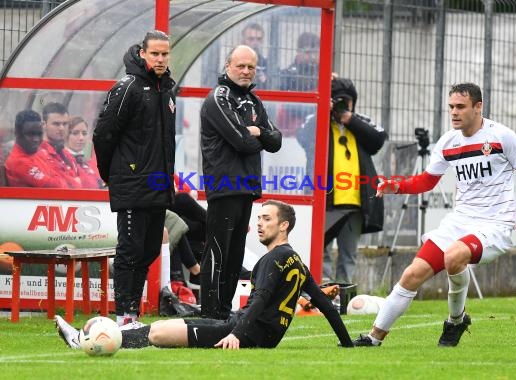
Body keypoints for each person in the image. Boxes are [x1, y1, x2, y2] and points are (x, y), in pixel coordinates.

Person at [352, 83, 516, 347]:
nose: (454, 112)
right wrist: (397, 185)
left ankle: (454, 321)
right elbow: (427, 181)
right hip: (459, 221)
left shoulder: (501, 136)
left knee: (454, 256)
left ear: (478, 107)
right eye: (451, 106)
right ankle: (374, 337)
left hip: (495, 225)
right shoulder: (448, 141)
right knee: (411, 275)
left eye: (460, 106)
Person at [55, 200, 354, 349]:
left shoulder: (275, 259)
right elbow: (326, 305)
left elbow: (261, 299)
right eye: (259, 218)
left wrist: (236, 335)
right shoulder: (297, 262)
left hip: (245, 333)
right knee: (163, 325)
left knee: (158, 333)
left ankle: (85, 341)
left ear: (284, 226)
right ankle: (85, 336)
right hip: (245, 329)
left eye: (266, 219)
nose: (260, 224)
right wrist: (348, 344)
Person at [92, 30, 176, 327]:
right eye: (155, 53)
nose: (160, 59)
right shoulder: (127, 87)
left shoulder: (167, 89)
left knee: (150, 249)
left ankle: (132, 315)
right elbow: (103, 134)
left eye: (165, 54)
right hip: (131, 184)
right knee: (129, 250)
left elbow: (165, 142)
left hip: (157, 185)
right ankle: (123, 317)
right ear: (142, 53)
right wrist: (111, 175)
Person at [200, 44, 282, 320]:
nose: (246, 71)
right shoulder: (219, 97)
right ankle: (211, 312)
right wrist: (258, 136)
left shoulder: (254, 100)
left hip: (246, 187)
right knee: (218, 251)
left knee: (235, 255)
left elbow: (276, 140)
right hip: (224, 186)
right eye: (241, 66)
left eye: (251, 67)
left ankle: (224, 311)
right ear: (228, 66)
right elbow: (242, 142)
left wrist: (258, 130)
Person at [297, 75, 387, 283]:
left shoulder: (360, 120)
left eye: (347, 101)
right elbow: (303, 138)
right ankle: (323, 293)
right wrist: (324, 111)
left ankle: (343, 294)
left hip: (355, 202)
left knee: (348, 255)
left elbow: (378, 139)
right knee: (321, 252)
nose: (342, 105)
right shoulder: (316, 120)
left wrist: (350, 119)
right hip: (324, 200)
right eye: (337, 100)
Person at [5, 110, 71, 188]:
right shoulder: (18, 162)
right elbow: (55, 186)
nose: (36, 139)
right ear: (16, 133)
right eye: (30, 134)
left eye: (39, 134)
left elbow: (61, 179)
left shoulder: (37, 154)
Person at [278, 32, 320, 137]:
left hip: (315, 132)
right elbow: (282, 107)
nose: (312, 57)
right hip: (291, 132)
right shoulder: (287, 75)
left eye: (316, 52)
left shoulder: (323, 75)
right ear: (298, 52)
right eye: (308, 52)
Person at [38, 102, 82, 188]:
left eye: (65, 124)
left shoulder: (65, 153)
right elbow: (59, 185)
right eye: (56, 124)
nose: (61, 128)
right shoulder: (39, 154)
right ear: (44, 125)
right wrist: (76, 182)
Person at [65, 116, 102, 189]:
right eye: (75, 133)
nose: (81, 138)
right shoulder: (61, 160)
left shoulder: (88, 163)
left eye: (84, 133)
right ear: (66, 135)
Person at [241, 22, 269, 89]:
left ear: (262, 41)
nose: (255, 43)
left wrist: (266, 81)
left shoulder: (266, 64)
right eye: (251, 39)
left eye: (259, 39)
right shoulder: (234, 61)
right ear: (243, 41)